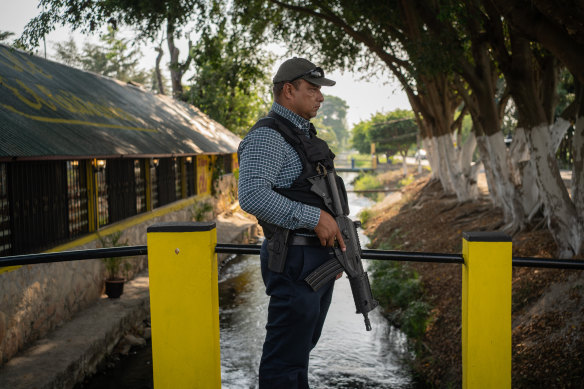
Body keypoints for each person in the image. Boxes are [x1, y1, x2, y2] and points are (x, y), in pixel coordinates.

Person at [238, 57, 347, 388]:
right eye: (312, 89)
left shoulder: (300, 135)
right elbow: (253, 196)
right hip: (294, 260)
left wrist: (338, 248)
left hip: (315, 260)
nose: (320, 97)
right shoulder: (269, 136)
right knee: (284, 361)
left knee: (299, 351)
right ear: (288, 90)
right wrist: (315, 219)